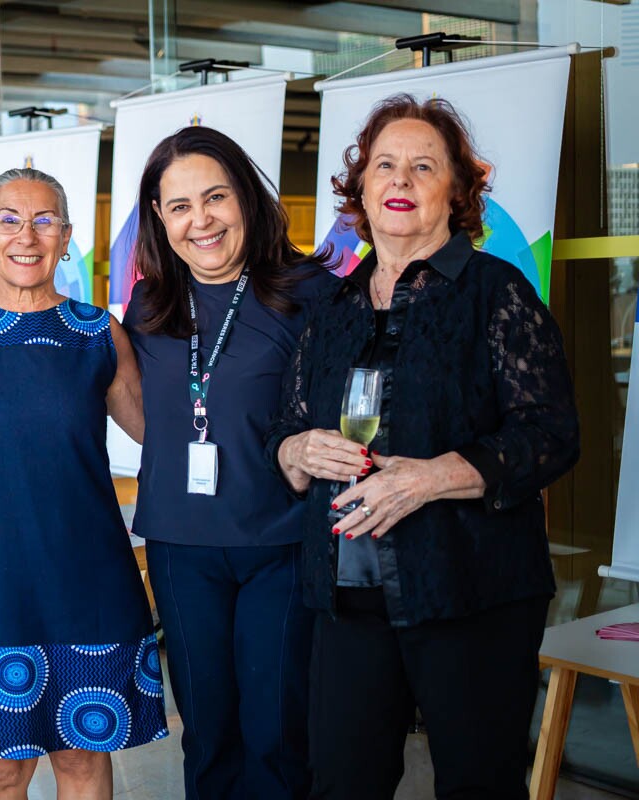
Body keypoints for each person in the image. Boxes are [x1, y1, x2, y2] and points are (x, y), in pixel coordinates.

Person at [268, 94, 579, 800]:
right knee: (343, 785)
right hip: (347, 599)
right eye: (384, 165)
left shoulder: (497, 294)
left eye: (423, 166)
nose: (400, 181)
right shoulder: (333, 310)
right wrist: (299, 453)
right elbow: (282, 434)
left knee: (477, 783)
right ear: (361, 189)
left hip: (471, 593)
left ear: (458, 191)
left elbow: (552, 435)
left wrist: (431, 478)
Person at [0, 167, 168, 799]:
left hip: (87, 574)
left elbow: (158, 433)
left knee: (83, 759)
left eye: (44, 220)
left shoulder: (97, 332)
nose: (26, 235)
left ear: (66, 238)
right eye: (9, 219)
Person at [121, 126, 329, 800]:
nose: (200, 220)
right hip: (182, 547)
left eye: (215, 197)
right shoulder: (148, 304)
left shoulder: (310, 292)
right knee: (207, 733)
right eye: (179, 206)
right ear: (159, 216)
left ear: (246, 196)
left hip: (281, 542)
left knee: (276, 732)